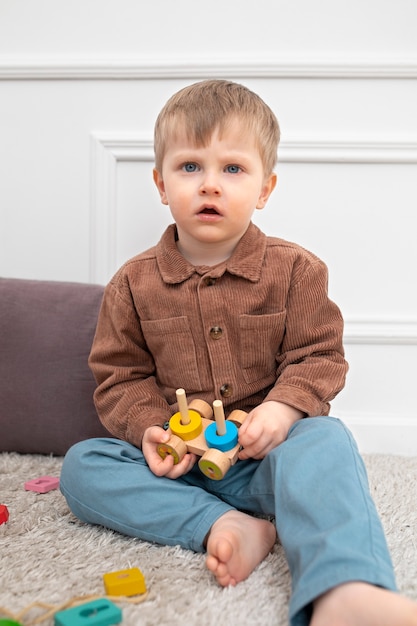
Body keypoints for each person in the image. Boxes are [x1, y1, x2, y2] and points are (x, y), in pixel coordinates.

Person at [60, 80, 417, 626]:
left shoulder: (296, 271)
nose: (210, 185)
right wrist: (155, 429)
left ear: (265, 187)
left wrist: (283, 410)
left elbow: (319, 355)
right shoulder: (131, 284)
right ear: (160, 183)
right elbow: (119, 377)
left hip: (265, 463)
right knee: (84, 467)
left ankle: (344, 585)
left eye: (232, 169)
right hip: (182, 467)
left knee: (327, 440)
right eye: (189, 168)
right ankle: (222, 525)